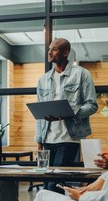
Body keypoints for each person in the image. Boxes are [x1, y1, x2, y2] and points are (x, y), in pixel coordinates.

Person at [36, 38, 98, 192]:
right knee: (46, 184)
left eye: (54, 49)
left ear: (65, 53)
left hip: (69, 137)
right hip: (47, 139)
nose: (49, 52)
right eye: (49, 49)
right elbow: (39, 115)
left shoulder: (81, 74)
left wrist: (69, 114)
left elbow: (92, 105)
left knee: (54, 184)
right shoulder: (43, 79)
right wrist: (39, 142)